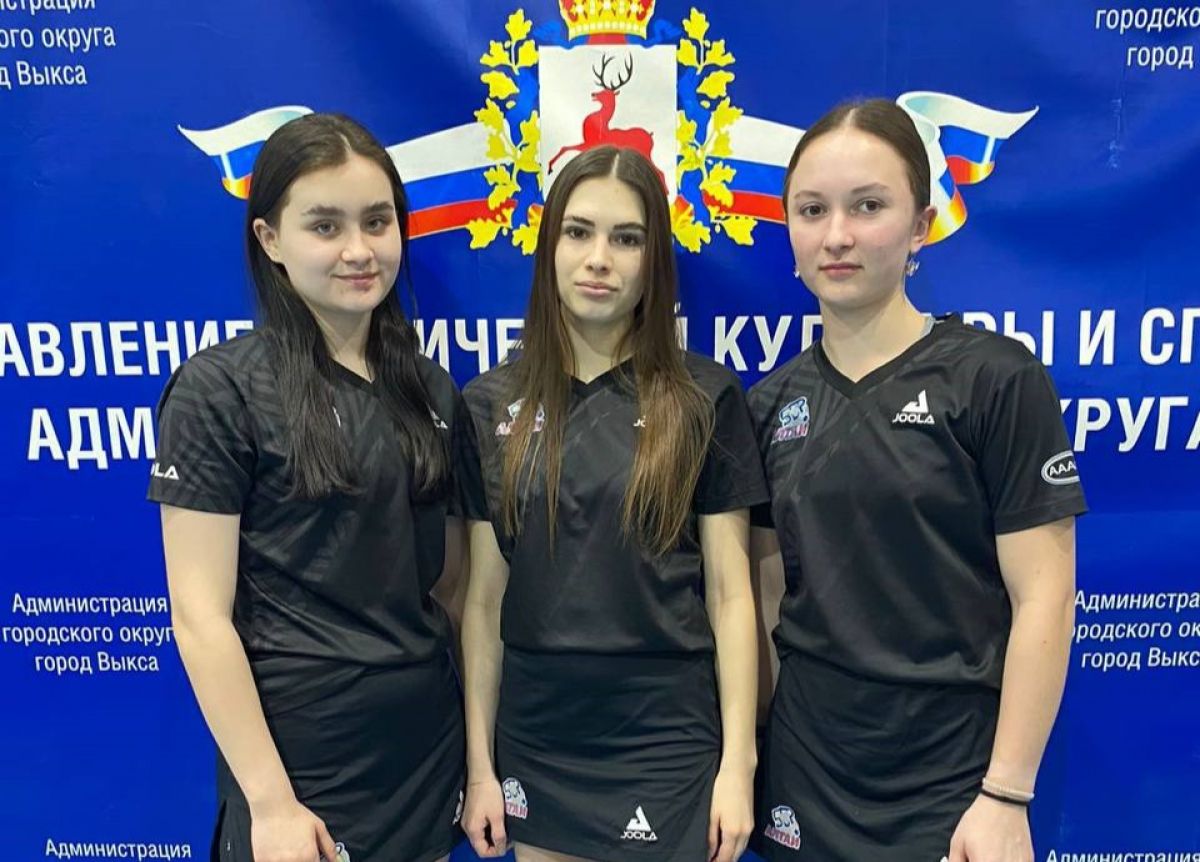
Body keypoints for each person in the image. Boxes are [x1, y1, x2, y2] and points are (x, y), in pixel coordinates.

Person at [748, 98, 1086, 862]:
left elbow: (1047, 597)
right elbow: (767, 601)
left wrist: (1006, 794)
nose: (837, 235)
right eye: (812, 210)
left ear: (921, 226)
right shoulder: (767, 406)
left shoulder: (995, 379)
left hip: (954, 784)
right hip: (805, 778)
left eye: (868, 206)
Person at [149, 113, 466, 862]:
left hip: (426, 754)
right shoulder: (218, 391)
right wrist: (271, 803)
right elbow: (199, 618)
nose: (359, 250)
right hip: (300, 767)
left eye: (377, 222)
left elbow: (450, 589)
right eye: (325, 226)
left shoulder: (431, 391)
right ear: (269, 240)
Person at [456, 145, 767, 862]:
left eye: (627, 238)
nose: (599, 259)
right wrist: (479, 766)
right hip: (539, 734)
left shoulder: (706, 397)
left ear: (654, 260)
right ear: (549, 247)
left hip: (666, 734)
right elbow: (482, 602)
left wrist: (738, 764)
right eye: (578, 232)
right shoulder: (489, 403)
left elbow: (730, 596)